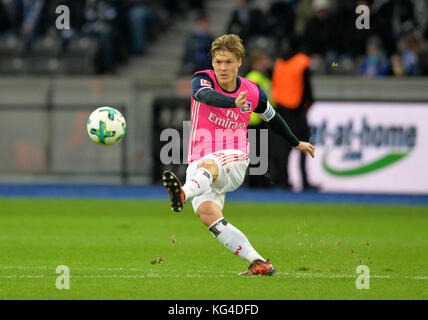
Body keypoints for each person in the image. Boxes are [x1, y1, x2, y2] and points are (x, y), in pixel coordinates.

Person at [162, 34, 315, 276]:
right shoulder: (202, 80)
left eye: (229, 62)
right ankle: (259, 262)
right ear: (212, 62)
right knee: (208, 215)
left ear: (240, 62)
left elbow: (272, 118)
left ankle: (182, 193)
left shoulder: (253, 91)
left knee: (209, 165)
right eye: (218, 61)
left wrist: (295, 143)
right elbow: (204, 96)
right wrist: (233, 102)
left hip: (234, 157)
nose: (223, 67)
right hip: (200, 164)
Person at [271, 36, 318, 191]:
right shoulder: (302, 62)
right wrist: (309, 104)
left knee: (284, 147)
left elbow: (275, 84)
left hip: (281, 110)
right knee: (304, 146)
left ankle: (284, 181)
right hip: (297, 110)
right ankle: (304, 181)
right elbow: (307, 88)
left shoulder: (279, 63)